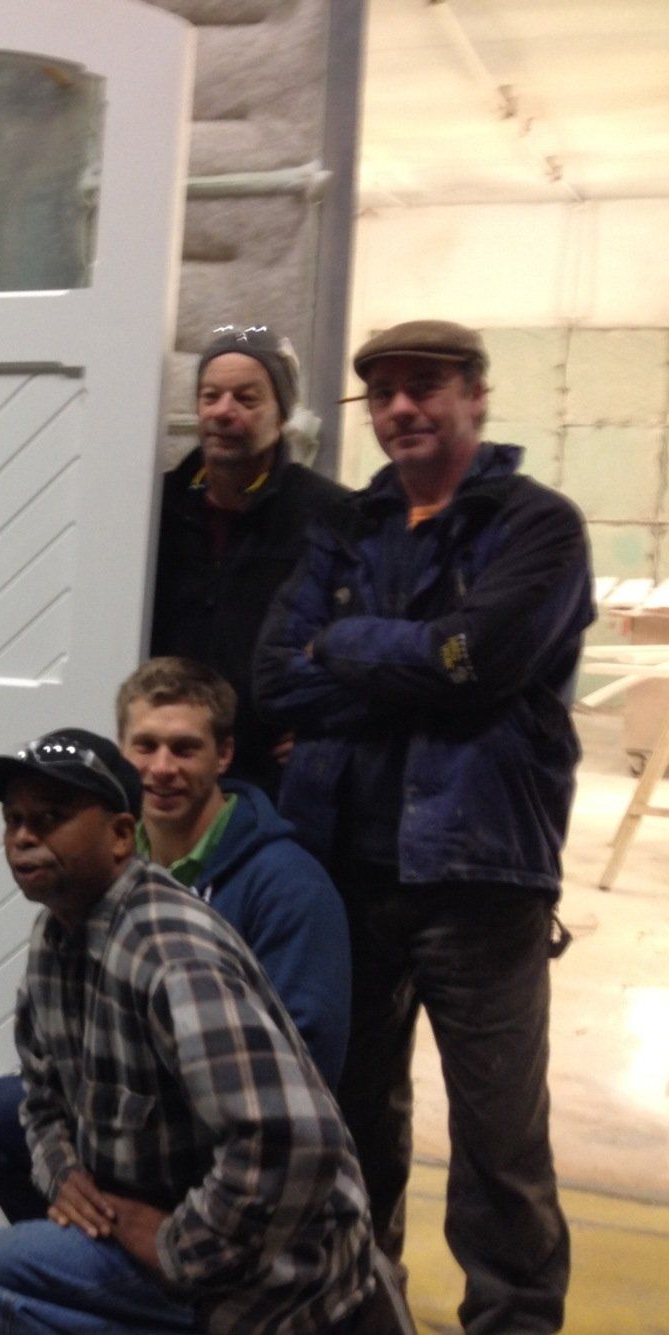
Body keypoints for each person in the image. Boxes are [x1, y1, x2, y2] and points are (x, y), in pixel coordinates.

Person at [254, 319, 591, 1333]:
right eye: (385, 391)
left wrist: (346, 644)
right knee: (353, 1123)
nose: (403, 406)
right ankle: (366, 1308)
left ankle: (514, 1320)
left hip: (479, 873)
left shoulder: (538, 527)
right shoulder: (346, 528)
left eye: (425, 385)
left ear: (475, 395)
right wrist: (426, 668)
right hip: (343, 874)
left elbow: (480, 663)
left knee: (498, 1144)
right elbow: (276, 678)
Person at [0, 729, 388, 1334]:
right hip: (154, 1206)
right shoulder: (55, 934)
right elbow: (41, 1094)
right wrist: (64, 1175)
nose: (23, 836)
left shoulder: (171, 955)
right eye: (13, 819)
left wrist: (179, 1245)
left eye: (51, 817)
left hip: (271, 1275)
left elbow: (296, 1141)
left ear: (122, 836)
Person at [0, 659, 350, 1225]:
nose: (161, 769)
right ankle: (83, 1243)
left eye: (184, 749)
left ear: (223, 756)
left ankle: (143, 1266)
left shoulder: (287, 884)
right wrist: (63, 1167)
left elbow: (304, 1069)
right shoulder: (94, 873)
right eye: (145, 747)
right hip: (117, 1096)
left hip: (206, 1122)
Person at [149, 325, 347, 796]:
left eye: (246, 398)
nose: (223, 412)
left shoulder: (329, 513)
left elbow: (357, 635)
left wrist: (327, 721)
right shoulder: (156, 506)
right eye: (210, 396)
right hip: (162, 765)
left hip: (268, 778)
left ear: (282, 414)